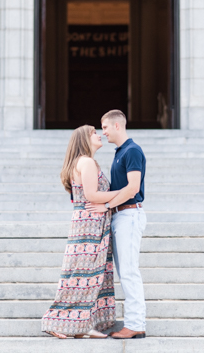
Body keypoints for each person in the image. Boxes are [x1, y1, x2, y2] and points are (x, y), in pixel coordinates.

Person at [41, 124, 122, 339]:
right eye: (94, 133)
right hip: (89, 224)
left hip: (91, 222)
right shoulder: (85, 162)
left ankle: (83, 324)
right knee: (82, 275)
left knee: (92, 274)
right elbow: (92, 195)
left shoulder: (86, 162)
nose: (99, 135)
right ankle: (57, 320)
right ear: (85, 139)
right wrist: (124, 193)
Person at [86, 109, 147, 339]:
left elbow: (133, 187)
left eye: (105, 127)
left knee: (129, 272)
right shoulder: (120, 152)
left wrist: (107, 206)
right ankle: (134, 322)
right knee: (126, 272)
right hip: (121, 216)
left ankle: (136, 324)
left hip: (129, 215)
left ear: (117, 126)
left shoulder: (132, 151)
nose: (104, 132)